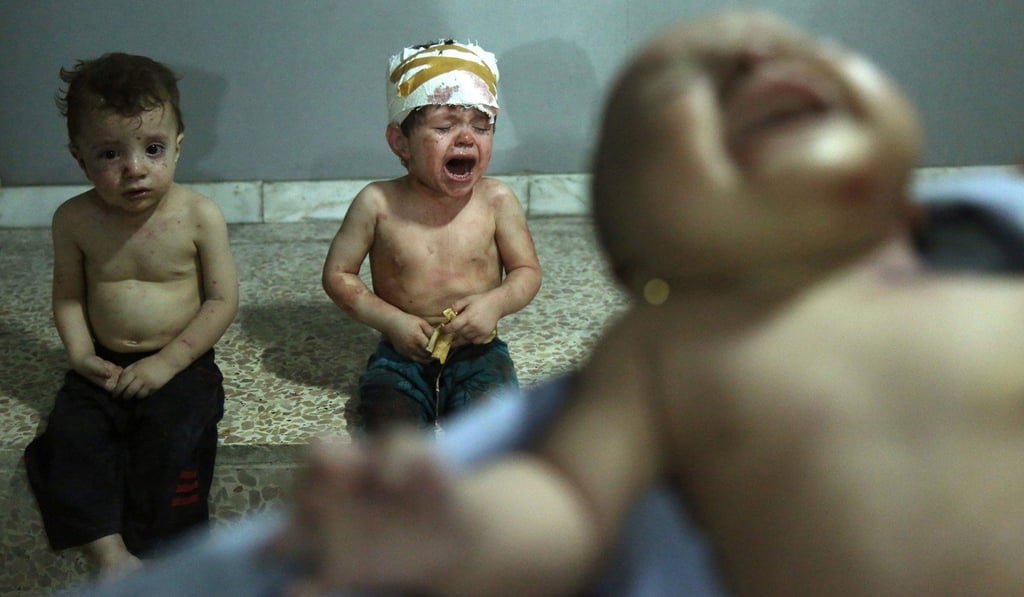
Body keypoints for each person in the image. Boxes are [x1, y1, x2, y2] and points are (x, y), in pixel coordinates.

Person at [281, 10, 1024, 596]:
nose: (761, 55)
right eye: (700, 82)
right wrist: (453, 530)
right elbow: (566, 498)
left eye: (811, 48)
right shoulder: (667, 348)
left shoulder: (988, 251)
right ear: (647, 256)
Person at [23, 52, 239, 580]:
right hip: (103, 364)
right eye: (110, 154)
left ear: (179, 145)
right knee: (64, 445)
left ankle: (166, 553)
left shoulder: (197, 216)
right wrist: (79, 355)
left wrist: (167, 364)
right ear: (79, 158)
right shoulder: (73, 220)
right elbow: (70, 298)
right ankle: (111, 555)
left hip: (181, 364)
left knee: (175, 440)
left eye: (153, 148)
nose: (135, 168)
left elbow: (221, 301)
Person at [322, 40, 542, 432]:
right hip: (402, 348)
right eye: (444, 126)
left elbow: (526, 271)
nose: (465, 138)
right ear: (400, 142)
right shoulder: (378, 203)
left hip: (479, 347)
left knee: (491, 424)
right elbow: (339, 276)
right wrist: (392, 322)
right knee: (388, 421)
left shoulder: (496, 201)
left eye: (482, 125)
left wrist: (495, 304)